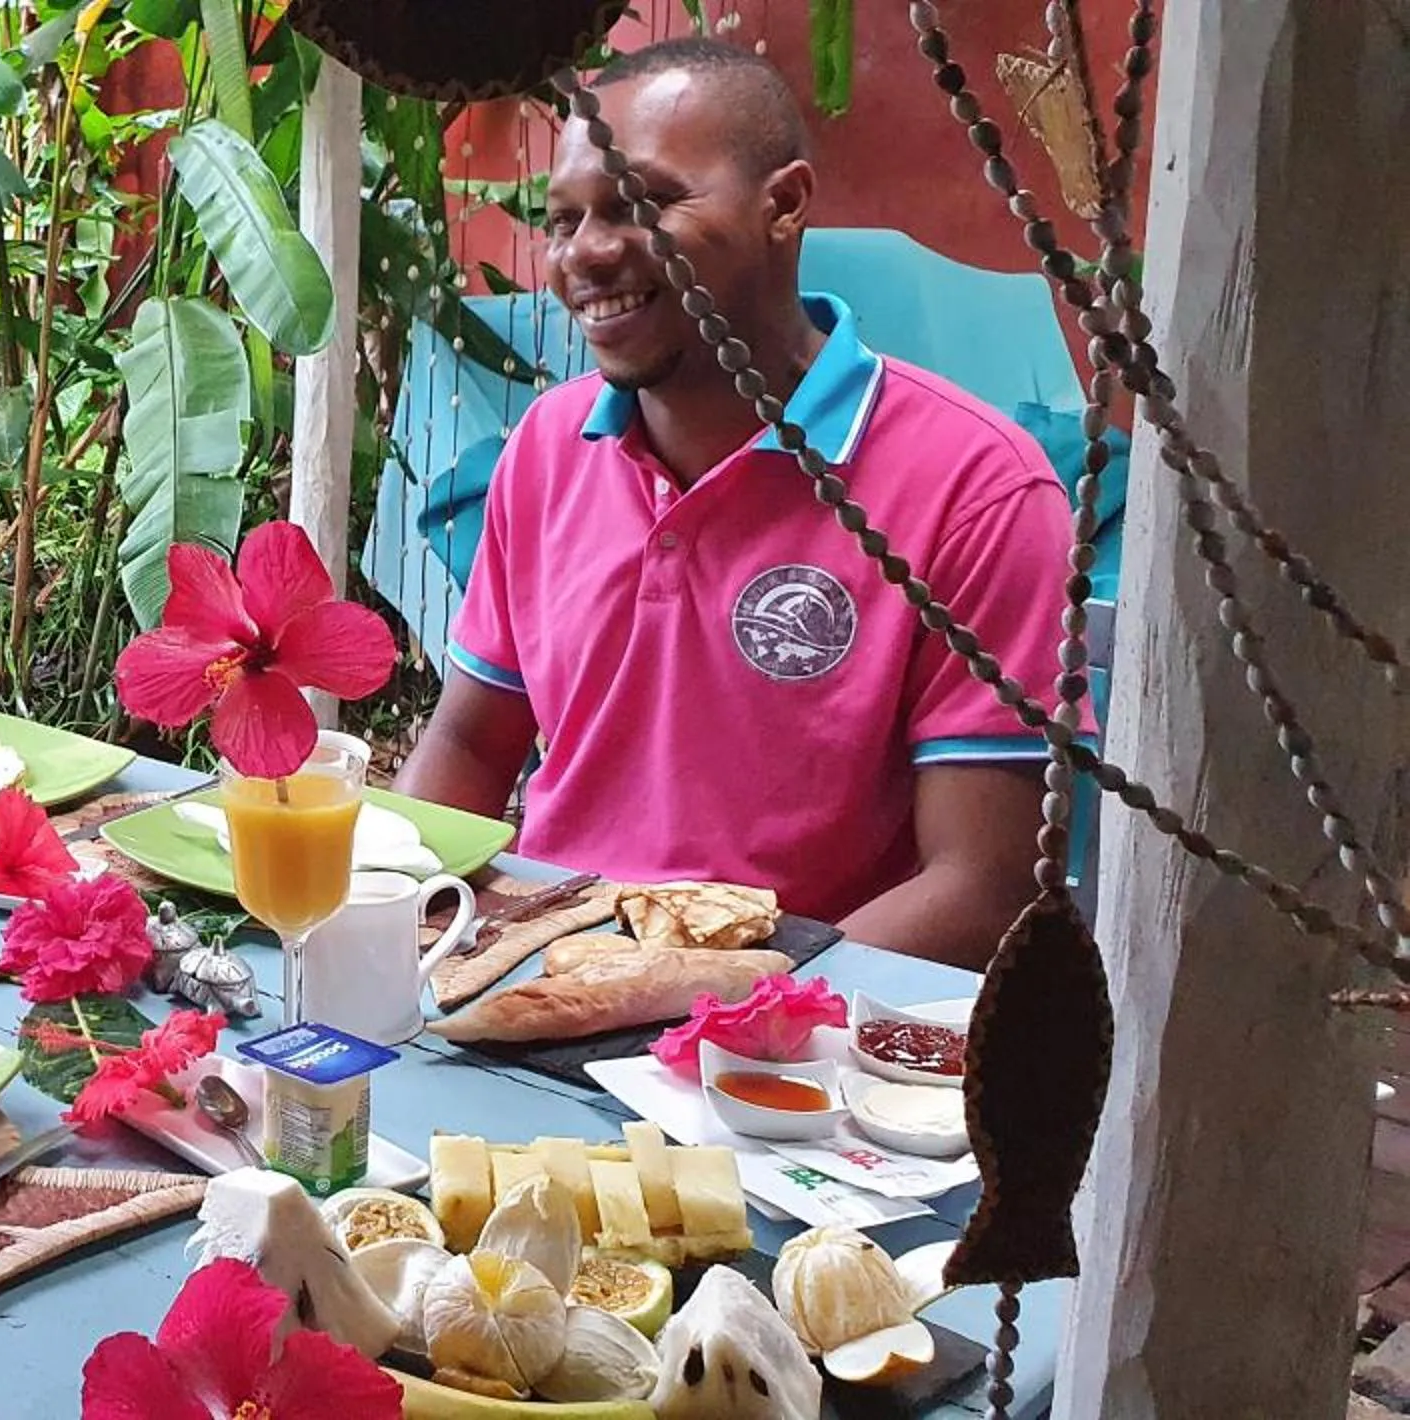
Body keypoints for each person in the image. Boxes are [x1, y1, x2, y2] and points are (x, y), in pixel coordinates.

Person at [395, 38, 1084, 968]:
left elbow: (980, 889)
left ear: (785, 205)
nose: (586, 252)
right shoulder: (548, 450)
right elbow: (473, 746)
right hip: (540, 973)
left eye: (642, 203)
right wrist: (386, 920)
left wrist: (699, 1009)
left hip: (799, 1022)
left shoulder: (974, 488)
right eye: (563, 220)